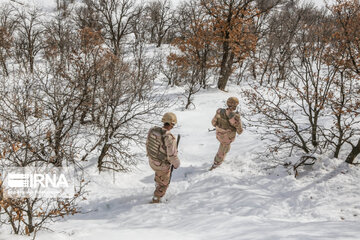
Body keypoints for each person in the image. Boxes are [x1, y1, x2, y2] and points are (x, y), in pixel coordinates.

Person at [146, 112, 180, 203]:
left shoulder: (153, 130)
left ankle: (158, 183)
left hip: (152, 161)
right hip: (161, 165)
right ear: (172, 124)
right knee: (164, 183)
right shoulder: (169, 137)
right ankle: (156, 199)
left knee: (159, 175)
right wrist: (176, 164)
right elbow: (172, 155)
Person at [210, 97, 243, 170]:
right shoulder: (234, 116)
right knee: (223, 150)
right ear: (235, 105)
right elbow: (239, 131)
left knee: (224, 148)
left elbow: (213, 123)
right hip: (227, 137)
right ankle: (216, 164)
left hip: (219, 134)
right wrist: (238, 120)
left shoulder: (219, 111)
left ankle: (219, 162)